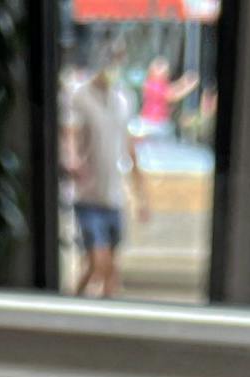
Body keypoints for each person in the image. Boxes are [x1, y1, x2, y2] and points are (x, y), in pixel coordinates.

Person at [63, 46, 150, 298]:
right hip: (88, 195)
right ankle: (69, 307)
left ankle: (105, 322)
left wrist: (140, 195)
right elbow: (70, 134)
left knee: (110, 271)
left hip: (114, 196)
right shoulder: (80, 97)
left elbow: (129, 147)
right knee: (98, 263)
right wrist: (73, 160)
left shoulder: (123, 99)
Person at [139, 55, 198, 136]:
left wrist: (182, 82)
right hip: (152, 123)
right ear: (152, 71)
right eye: (161, 70)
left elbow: (170, 88)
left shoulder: (158, 83)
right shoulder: (152, 85)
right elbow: (172, 96)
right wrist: (189, 88)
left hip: (158, 122)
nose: (166, 73)